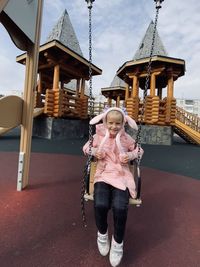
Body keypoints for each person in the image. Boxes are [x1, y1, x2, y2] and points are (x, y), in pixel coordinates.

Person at [83, 107, 143, 267]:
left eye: (118, 123)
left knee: (120, 208)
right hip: (103, 175)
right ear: (105, 121)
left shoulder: (126, 138)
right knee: (100, 204)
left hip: (121, 177)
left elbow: (139, 150)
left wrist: (130, 155)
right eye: (111, 123)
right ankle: (102, 234)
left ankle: (117, 243)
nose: (114, 127)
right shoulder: (98, 136)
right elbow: (86, 148)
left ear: (123, 123)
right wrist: (95, 151)